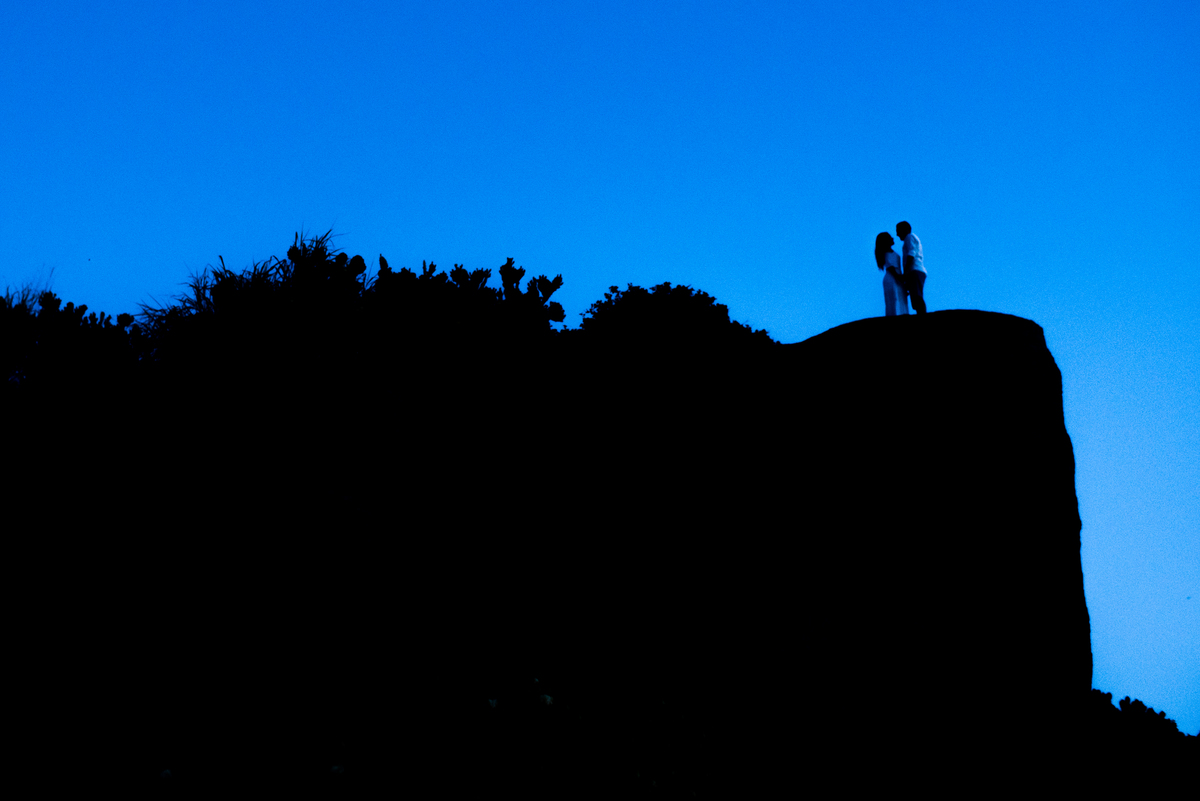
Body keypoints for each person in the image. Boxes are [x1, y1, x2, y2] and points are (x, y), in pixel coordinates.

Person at [875, 232, 908, 316]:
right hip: (892, 279)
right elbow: (891, 268)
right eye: (890, 237)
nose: (892, 238)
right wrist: (901, 280)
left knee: (898, 299)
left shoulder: (890, 253)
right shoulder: (886, 254)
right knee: (895, 299)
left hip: (896, 278)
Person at [896, 221, 926, 314]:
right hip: (914, 270)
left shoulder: (909, 237)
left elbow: (911, 254)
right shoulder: (910, 238)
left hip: (914, 270)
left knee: (917, 296)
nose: (897, 234)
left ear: (904, 229)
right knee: (915, 296)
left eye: (898, 231)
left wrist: (905, 273)